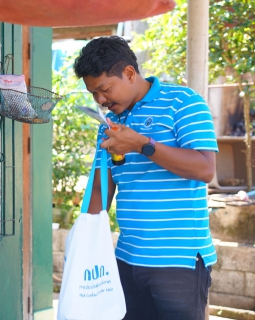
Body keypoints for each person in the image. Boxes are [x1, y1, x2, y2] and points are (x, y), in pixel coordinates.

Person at [74, 36, 218, 320]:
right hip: (126, 259)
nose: (100, 101)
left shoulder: (184, 103)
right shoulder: (110, 126)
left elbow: (205, 169)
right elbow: (101, 190)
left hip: (178, 262)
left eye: (104, 89)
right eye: (93, 94)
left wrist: (141, 144)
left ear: (129, 73)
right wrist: (84, 245)